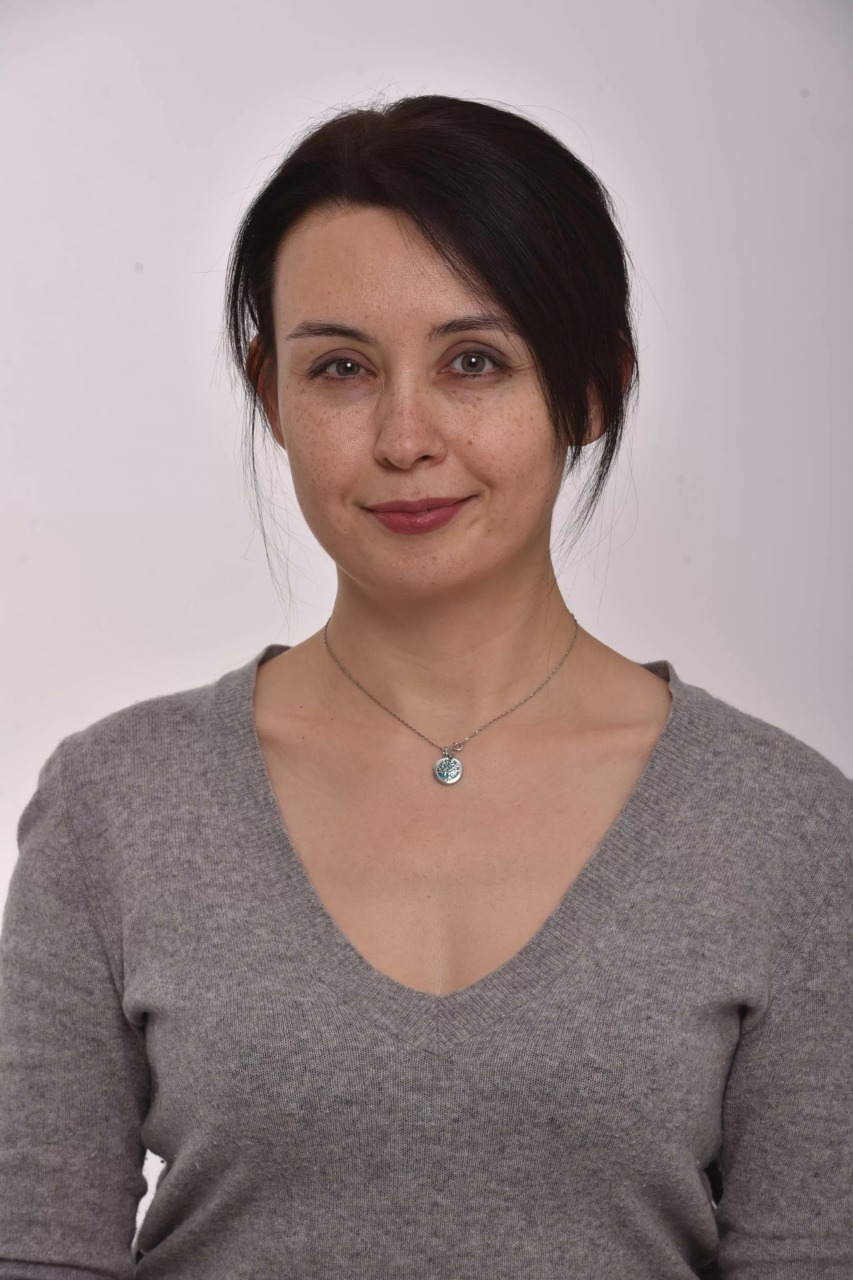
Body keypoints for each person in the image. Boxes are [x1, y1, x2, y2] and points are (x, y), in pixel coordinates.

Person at [1, 94, 850, 1279]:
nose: (405, 437)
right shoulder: (114, 804)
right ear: (271, 394)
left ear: (594, 386)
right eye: (342, 368)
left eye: (473, 362)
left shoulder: (784, 827)